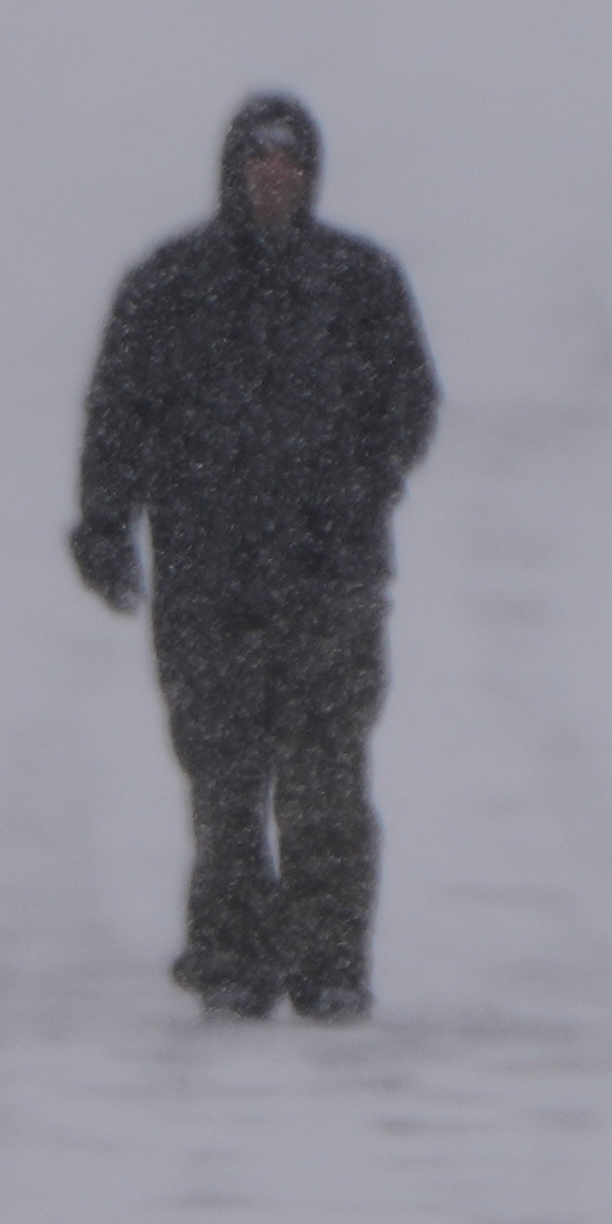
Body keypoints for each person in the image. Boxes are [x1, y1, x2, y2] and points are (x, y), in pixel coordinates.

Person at [70, 92, 439, 1019]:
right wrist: (104, 525)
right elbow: (119, 415)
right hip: (207, 581)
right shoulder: (170, 284)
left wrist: (356, 492)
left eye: (292, 165)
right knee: (225, 783)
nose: (276, 179)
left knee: (325, 782)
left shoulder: (359, 282)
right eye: (260, 163)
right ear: (233, 171)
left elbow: (408, 403)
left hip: (329, 581)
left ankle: (328, 965)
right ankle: (231, 958)